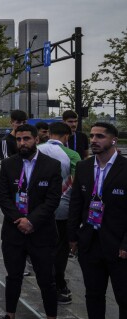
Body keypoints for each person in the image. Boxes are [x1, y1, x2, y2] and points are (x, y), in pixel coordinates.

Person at [0, 124, 62, 319]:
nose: (22, 143)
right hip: (14, 232)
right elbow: (3, 197)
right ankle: (10, 314)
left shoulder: (51, 165)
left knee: (46, 279)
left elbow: (53, 199)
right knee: (13, 277)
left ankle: (51, 316)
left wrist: (31, 221)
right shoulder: (9, 164)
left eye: (26, 139)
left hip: (41, 232)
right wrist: (19, 220)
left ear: (37, 140)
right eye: (19, 139)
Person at [68, 122, 127, 318]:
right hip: (90, 242)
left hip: (119, 245)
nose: (94, 140)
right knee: (93, 295)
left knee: (123, 296)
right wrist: (73, 237)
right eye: (92, 136)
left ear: (113, 140)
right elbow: (76, 204)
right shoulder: (84, 167)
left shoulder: (125, 168)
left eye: (100, 136)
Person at [37, 122, 79, 305]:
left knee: (41, 248)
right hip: (62, 209)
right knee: (61, 249)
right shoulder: (72, 155)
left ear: (49, 134)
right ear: (66, 137)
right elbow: (77, 185)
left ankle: (45, 281)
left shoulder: (36, 149)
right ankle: (58, 283)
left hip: (38, 210)